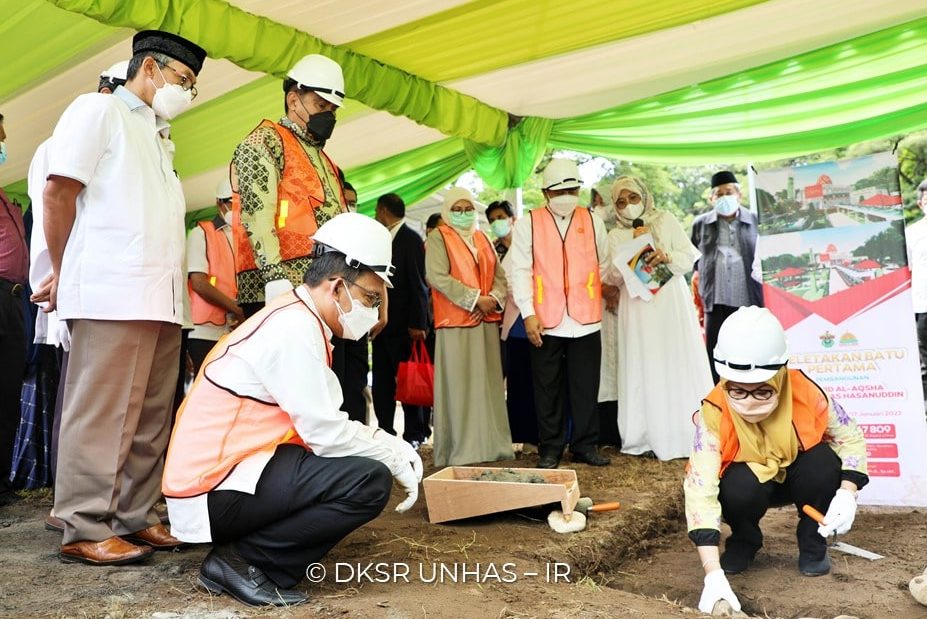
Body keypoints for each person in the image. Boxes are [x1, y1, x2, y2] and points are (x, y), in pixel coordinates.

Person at [162, 212, 422, 607]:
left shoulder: (299, 319)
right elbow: (326, 435)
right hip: (214, 486)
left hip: (227, 475)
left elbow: (322, 425)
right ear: (337, 286)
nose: (372, 311)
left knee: (351, 466)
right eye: (371, 298)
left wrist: (384, 444)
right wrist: (393, 452)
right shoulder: (294, 329)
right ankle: (245, 561)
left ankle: (253, 549)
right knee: (367, 480)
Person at [40, 30, 206, 565]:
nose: (187, 92)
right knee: (102, 414)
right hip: (112, 292)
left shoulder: (158, 135)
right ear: (149, 68)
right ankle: (83, 523)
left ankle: (137, 516)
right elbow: (58, 192)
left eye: (193, 86)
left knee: (152, 417)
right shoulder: (99, 110)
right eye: (183, 79)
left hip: (161, 299)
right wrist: (63, 269)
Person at [684, 307, 868, 613]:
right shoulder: (714, 412)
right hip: (751, 483)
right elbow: (700, 487)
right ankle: (744, 540)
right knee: (735, 487)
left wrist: (848, 492)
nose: (749, 401)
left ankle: (813, 541)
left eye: (762, 391)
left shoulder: (805, 392)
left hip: (800, 476)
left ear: (780, 375)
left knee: (823, 463)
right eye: (737, 391)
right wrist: (712, 573)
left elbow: (850, 437)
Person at [509, 158, 614, 469]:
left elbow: (604, 263)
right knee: (547, 387)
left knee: (585, 386)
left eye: (572, 190)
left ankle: (585, 445)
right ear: (546, 193)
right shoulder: (529, 223)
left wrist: (592, 290)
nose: (567, 196)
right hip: (545, 318)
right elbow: (519, 270)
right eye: (559, 191)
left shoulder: (593, 221)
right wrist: (528, 312)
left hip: (586, 318)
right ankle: (550, 448)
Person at [231, 54, 349, 318]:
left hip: (322, 287)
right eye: (321, 105)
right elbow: (257, 212)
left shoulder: (324, 159)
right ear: (293, 100)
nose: (328, 115)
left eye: (333, 110)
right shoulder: (265, 141)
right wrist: (273, 275)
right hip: (277, 286)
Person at [603, 176, 712, 459]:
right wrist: (633, 250)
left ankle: (684, 431)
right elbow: (610, 277)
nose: (628, 205)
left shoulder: (666, 220)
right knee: (644, 361)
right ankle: (644, 436)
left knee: (673, 358)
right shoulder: (615, 235)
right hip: (636, 307)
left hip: (670, 302)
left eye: (633, 198)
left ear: (644, 196)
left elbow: (688, 257)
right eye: (621, 202)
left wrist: (665, 256)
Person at [426, 187, 513, 466]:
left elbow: (500, 276)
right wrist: (475, 300)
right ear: (447, 211)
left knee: (487, 385)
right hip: (455, 322)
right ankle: (462, 450)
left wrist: (493, 300)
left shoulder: (482, 237)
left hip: (484, 322)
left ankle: (492, 446)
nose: (463, 214)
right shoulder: (438, 237)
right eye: (457, 210)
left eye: (467, 209)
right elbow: (436, 276)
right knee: (460, 386)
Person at [690, 171, 763, 383]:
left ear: (739, 195)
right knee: (716, 352)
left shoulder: (756, 220)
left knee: (750, 350)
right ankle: (717, 394)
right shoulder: (700, 224)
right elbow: (693, 258)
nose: (724, 197)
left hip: (748, 299)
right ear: (711, 198)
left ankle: (752, 388)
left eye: (728, 192)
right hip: (716, 300)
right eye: (719, 194)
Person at [371, 193, 431, 446]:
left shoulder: (410, 239)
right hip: (381, 326)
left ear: (383, 211)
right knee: (382, 382)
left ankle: (414, 433)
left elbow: (419, 284)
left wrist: (419, 323)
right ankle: (385, 430)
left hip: (406, 326)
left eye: (377, 211)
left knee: (410, 380)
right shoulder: (380, 240)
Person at [0, 111, 29, 506]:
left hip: (13, 299)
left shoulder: (6, 196)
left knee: (7, 394)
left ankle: (1, 483)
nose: (3, 146)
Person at [186, 178, 244, 375]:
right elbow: (199, 283)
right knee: (206, 383)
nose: (237, 209)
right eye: (232, 203)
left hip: (234, 328)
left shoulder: (244, 236)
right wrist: (236, 309)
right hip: (205, 330)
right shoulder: (200, 233)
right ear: (219, 203)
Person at [330, 179, 371, 423]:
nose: (350, 207)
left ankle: (360, 430)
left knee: (357, 378)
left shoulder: (363, 235)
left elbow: (377, 273)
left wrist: (382, 309)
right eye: (346, 202)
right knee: (336, 377)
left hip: (358, 317)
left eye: (354, 202)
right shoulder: (324, 235)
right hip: (332, 316)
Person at [906, 179, 927, 405]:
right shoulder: (912, 233)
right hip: (923, 306)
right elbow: (907, 269)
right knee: (925, 361)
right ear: (921, 204)